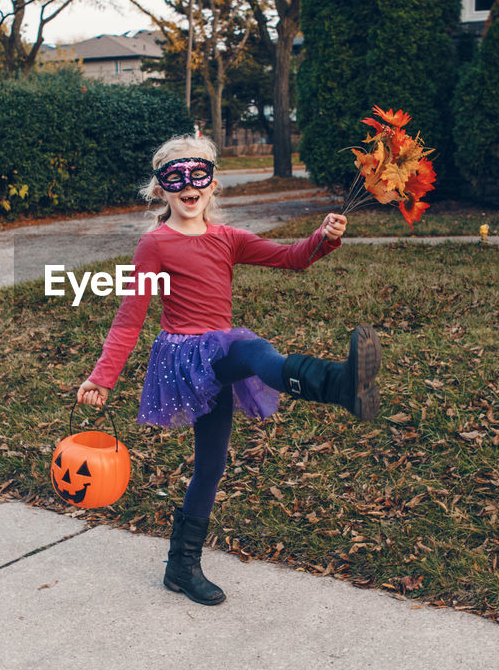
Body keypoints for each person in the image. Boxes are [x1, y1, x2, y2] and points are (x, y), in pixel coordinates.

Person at [75, 134, 381, 606]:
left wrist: (323, 237)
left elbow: (290, 257)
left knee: (212, 463)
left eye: (197, 174)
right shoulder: (154, 246)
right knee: (255, 352)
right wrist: (103, 376)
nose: (187, 185)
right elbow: (129, 316)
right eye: (174, 178)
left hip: (217, 353)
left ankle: (181, 566)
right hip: (185, 358)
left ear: (212, 183)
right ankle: (340, 383)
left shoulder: (228, 238)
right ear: (161, 189)